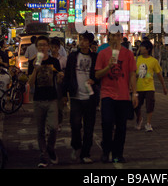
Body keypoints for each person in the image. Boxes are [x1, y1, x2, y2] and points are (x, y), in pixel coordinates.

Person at [95, 30, 137, 163]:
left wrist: (134, 94)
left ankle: (118, 153)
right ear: (109, 37)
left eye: (118, 35)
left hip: (123, 95)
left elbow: (132, 74)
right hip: (107, 94)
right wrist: (108, 67)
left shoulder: (128, 54)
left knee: (121, 126)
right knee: (107, 123)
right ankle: (106, 151)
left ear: (121, 37)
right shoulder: (102, 53)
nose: (115, 38)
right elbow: (97, 75)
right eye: (112, 35)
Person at [62, 31, 100, 164]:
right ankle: (76, 145)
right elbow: (67, 75)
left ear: (90, 43)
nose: (82, 42)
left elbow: (99, 75)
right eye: (81, 40)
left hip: (90, 97)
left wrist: (94, 80)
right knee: (75, 124)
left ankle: (85, 153)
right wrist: (64, 94)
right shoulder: (73, 56)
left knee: (89, 127)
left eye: (85, 40)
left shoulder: (95, 57)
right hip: (76, 96)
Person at [27, 36, 63, 167]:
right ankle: (43, 155)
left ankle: (50, 148)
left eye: (44, 45)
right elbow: (30, 83)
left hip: (52, 98)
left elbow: (59, 80)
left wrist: (60, 77)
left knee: (53, 127)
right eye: (40, 45)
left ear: (48, 46)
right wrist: (36, 69)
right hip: (38, 100)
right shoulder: (32, 62)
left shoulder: (54, 61)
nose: (42, 47)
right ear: (36, 47)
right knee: (40, 130)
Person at [134, 40, 167, 132]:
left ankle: (148, 123)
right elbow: (133, 73)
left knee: (150, 105)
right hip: (138, 87)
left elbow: (159, 74)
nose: (140, 48)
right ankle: (139, 118)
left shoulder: (153, 61)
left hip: (149, 87)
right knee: (136, 106)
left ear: (148, 49)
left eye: (142, 47)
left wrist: (164, 86)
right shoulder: (136, 59)